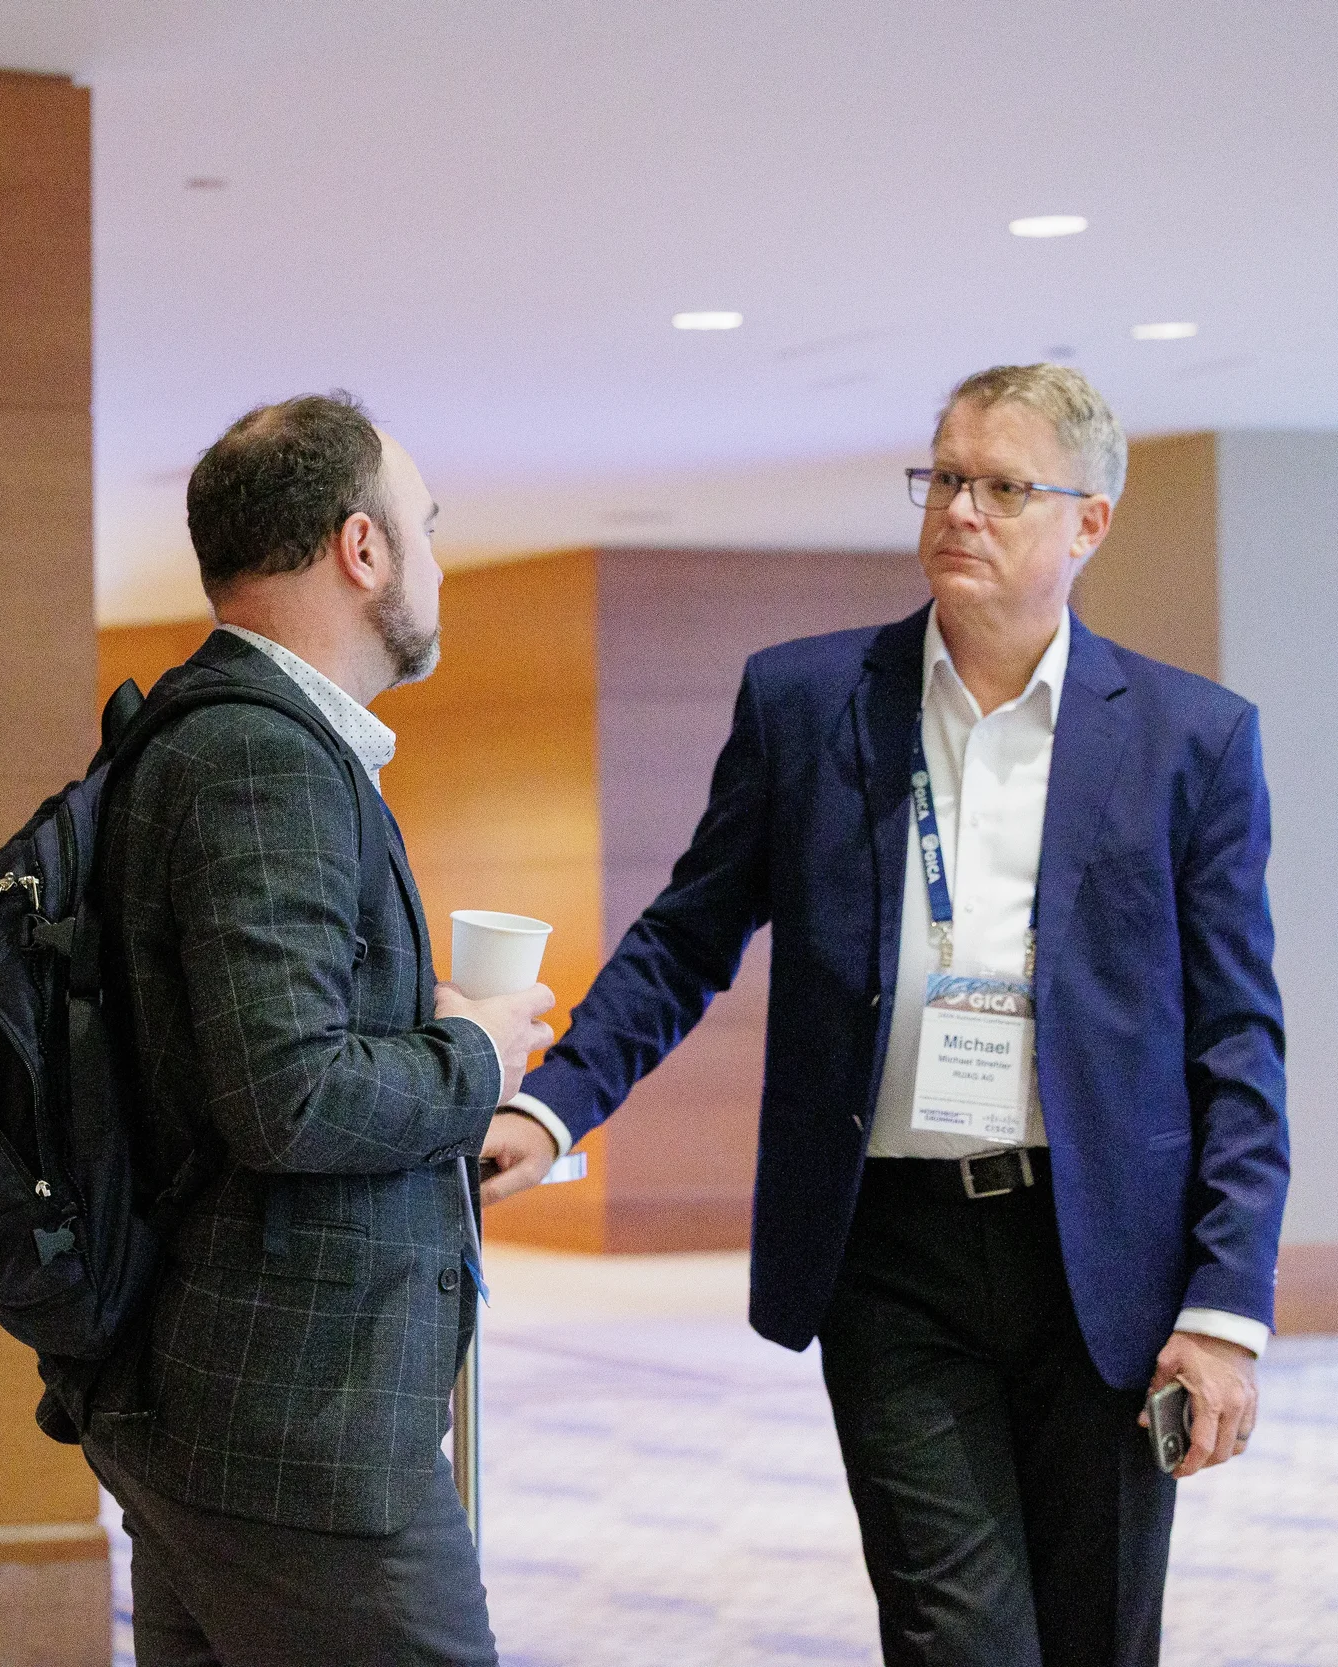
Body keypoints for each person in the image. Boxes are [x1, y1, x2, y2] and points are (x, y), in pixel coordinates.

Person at [509, 363, 1287, 1666]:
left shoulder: (1188, 739)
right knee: (954, 1634)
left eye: (1002, 486)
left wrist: (1223, 1306)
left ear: (1089, 521)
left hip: (1102, 1252)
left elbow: (1236, 1041)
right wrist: (552, 1103)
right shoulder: (809, 703)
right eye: (945, 477)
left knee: (1097, 1635)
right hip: (890, 1249)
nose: (960, 509)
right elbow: (688, 933)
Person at [80, 392, 560, 1666]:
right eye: (426, 527)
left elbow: (243, 1041)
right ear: (362, 548)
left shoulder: (209, 730)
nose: (437, 562)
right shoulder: (264, 757)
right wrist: (477, 1054)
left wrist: (417, 1020)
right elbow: (286, 1095)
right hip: (298, 1424)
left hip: (228, 1403)